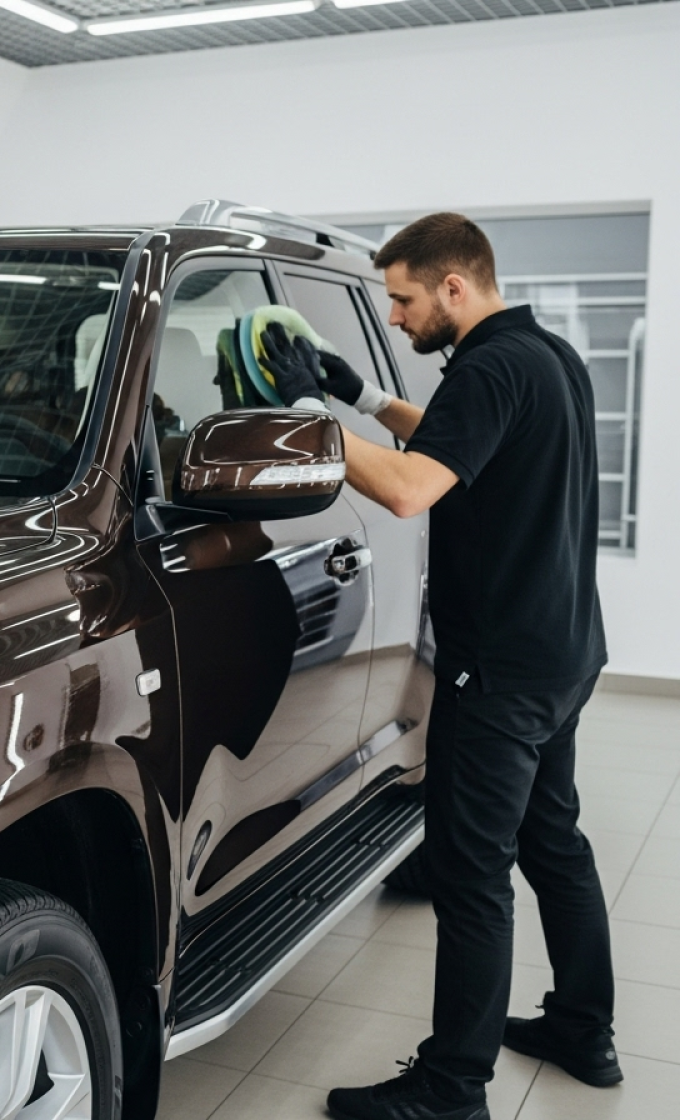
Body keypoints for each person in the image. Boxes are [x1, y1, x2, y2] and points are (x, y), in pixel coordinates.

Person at [258, 213, 619, 1120]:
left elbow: (411, 487)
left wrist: (309, 423)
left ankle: (452, 1090)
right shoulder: (544, 355)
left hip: (496, 674)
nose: (393, 316)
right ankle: (584, 1029)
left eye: (403, 299)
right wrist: (359, 397)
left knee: (470, 876)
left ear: (454, 287)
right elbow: (458, 444)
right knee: (555, 845)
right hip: (562, 654)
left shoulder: (489, 368)